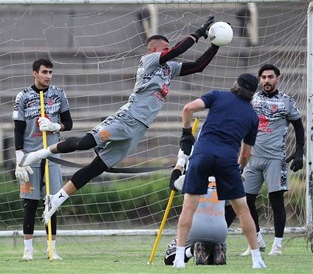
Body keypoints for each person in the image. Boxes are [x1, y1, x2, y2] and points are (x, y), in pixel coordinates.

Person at [18, 16, 220, 226]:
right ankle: (37, 154)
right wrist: (198, 33)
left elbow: (198, 66)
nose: (169, 50)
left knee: (96, 168)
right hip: (127, 118)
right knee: (85, 143)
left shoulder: (170, 68)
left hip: (139, 129)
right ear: (153, 50)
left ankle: (56, 200)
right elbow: (176, 51)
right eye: (165, 48)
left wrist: (215, 44)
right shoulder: (148, 61)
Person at [172, 74, 267, 269]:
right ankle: (257, 260)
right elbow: (246, 155)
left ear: (235, 84)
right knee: (243, 210)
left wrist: (186, 132)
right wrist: (236, 170)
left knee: (189, 207)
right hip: (227, 160)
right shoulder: (252, 116)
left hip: (202, 154)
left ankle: (179, 259)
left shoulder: (218, 95)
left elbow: (188, 108)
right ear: (253, 94)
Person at [240, 64, 305, 256]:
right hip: (252, 158)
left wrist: (299, 150)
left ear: (278, 79)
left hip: (275, 159)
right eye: (263, 77)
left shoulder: (286, 101)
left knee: (276, 201)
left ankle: (277, 245)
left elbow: (299, 126)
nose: (267, 81)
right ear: (259, 80)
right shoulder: (251, 99)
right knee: (245, 200)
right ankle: (257, 240)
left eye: (270, 77)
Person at [13, 58, 73, 261]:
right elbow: (18, 128)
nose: (48, 76)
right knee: (30, 203)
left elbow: (69, 123)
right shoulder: (23, 96)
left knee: (52, 202)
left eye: (50, 72)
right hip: (30, 156)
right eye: (44, 72)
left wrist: (56, 127)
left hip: (53, 154)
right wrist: (19, 155)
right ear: (35, 73)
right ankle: (27, 249)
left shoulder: (58, 94)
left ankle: (52, 249)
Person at [164, 150, 231, 266]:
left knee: (169, 258)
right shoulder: (225, 179)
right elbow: (232, 209)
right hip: (220, 231)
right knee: (210, 254)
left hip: (195, 228)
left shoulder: (190, 177)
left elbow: (172, 183)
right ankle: (217, 248)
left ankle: (192, 251)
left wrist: (181, 159)